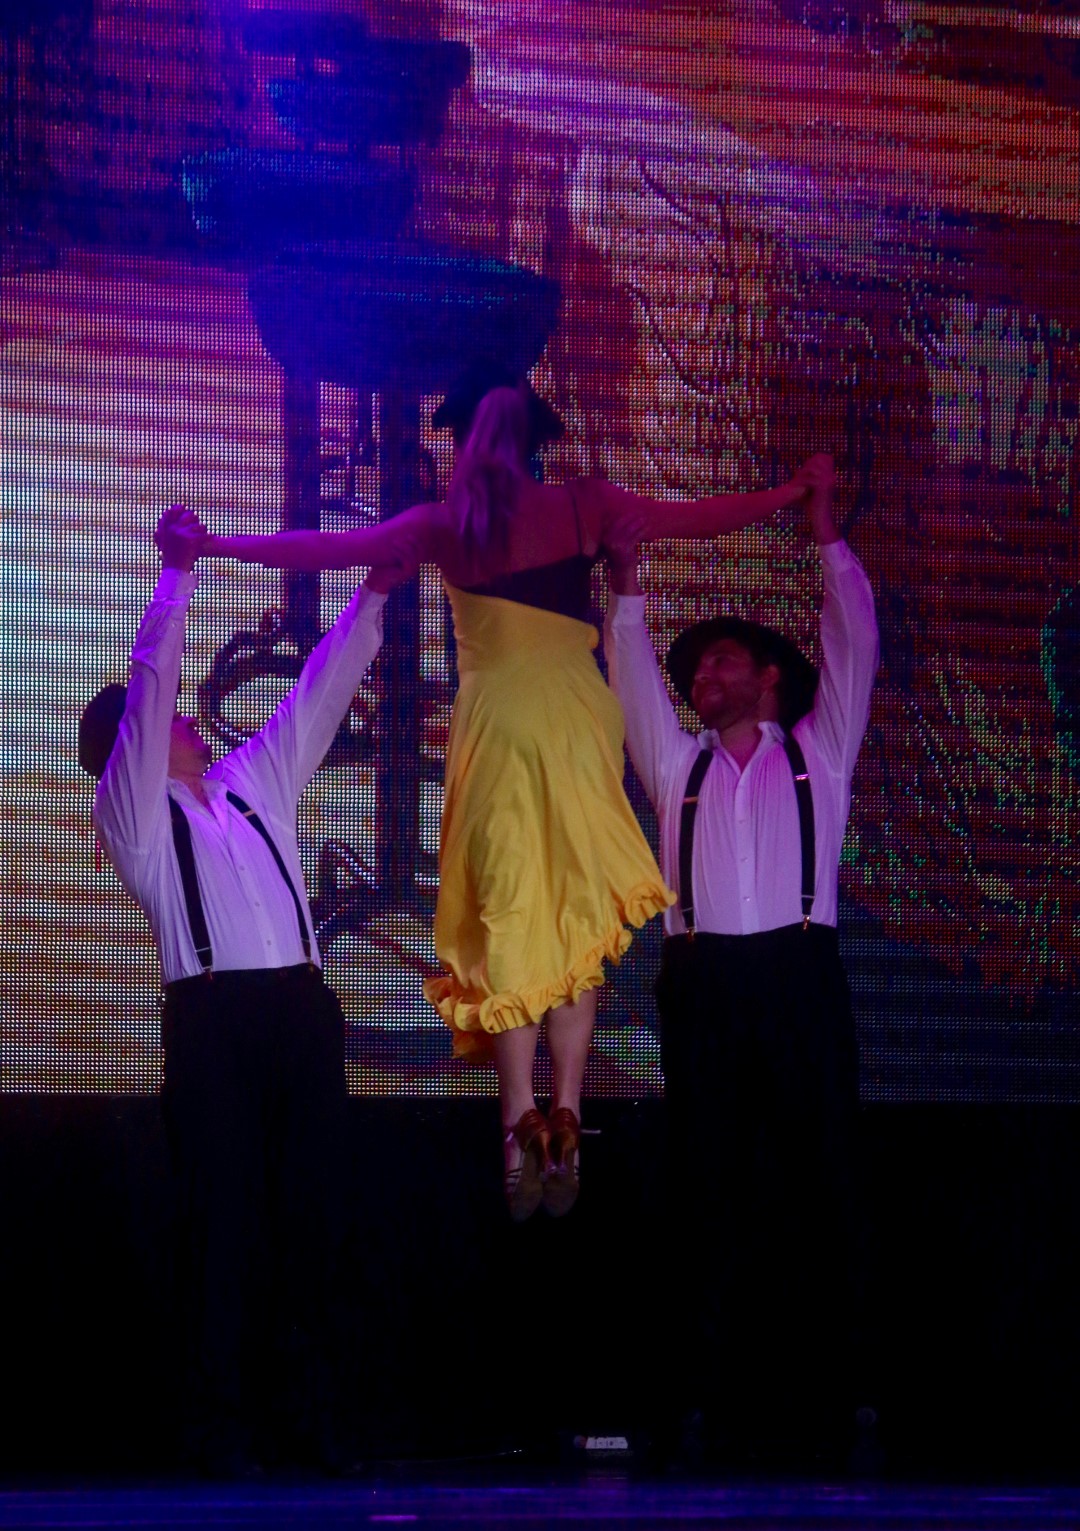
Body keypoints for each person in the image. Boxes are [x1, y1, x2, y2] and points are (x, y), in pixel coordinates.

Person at [205, 369, 816, 1221]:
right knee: (573, 922)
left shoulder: (445, 523)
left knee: (511, 921)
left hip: (497, 730)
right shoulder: (582, 504)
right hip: (575, 723)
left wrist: (216, 545)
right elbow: (699, 517)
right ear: (532, 441)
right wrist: (790, 494)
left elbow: (320, 547)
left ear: (461, 442)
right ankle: (566, 1111)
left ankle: (517, 1121)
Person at [78, 503, 419, 1476]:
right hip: (214, 1024)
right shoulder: (131, 817)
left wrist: (375, 593)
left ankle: (312, 1417)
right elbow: (152, 686)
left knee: (314, 1215)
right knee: (224, 1223)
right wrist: (176, 579)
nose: (183, 717)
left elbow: (318, 695)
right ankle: (219, 1426)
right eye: (158, 720)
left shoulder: (250, 781)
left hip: (300, 1014)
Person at [603, 453, 879, 1466]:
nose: (701, 679)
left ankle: (839, 1393)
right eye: (698, 671)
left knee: (823, 1180)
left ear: (767, 678)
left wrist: (825, 532)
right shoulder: (677, 766)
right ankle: (694, 1397)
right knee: (704, 1187)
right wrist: (626, 586)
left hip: (800, 979)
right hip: (705, 985)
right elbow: (634, 681)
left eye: (720, 663)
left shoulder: (820, 752)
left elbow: (855, 643)